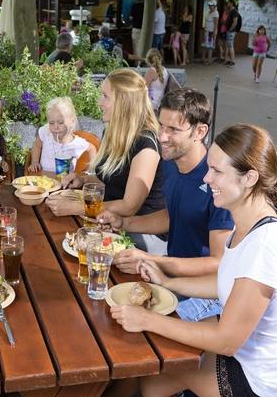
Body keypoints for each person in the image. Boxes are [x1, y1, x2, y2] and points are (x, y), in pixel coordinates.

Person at [110, 124, 277, 397]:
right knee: (159, 365)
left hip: (263, 381)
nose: (207, 178)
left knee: (155, 378)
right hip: (245, 355)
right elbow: (227, 281)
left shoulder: (263, 245)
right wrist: (168, 282)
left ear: (249, 178)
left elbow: (226, 340)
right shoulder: (246, 221)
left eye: (217, 171)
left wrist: (147, 319)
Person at [98, 89, 234, 322]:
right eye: (161, 126)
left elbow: (218, 263)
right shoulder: (171, 161)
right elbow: (173, 216)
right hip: (170, 275)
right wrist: (124, 222)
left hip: (207, 292)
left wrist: (152, 261)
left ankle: (215, 361)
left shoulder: (217, 179)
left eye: (173, 130)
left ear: (200, 131)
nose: (162, 136)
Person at [46, 68, 166, 254]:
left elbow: (129, 206)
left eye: (105, 96)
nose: (99, 102)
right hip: (109, 220)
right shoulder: (112, 131)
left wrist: (78, 207)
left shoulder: (146, 145)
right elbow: (109, 179)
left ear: (123, 103)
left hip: (140, 233)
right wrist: (83, 179)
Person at [28, 97, 96, 174]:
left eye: (60, 122)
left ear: (72, 121)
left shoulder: (76, 143)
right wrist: (35, 161)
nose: (55, 127)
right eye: (51, 123)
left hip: (64, 183)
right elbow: (37, 145)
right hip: (44, 180)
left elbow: (92, 148)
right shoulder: (46, 132)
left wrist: (91, 170)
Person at [222, 0, 241, 67]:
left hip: (231, 31)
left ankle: (232, 61)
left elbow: (235, 22)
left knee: (230, 46)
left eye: (229, 3)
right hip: (229, 31)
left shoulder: (234, 11)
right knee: (229, 45)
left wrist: (230, 29)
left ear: (231, 4)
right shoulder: (231, 11)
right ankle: (230, 60)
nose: (227, 4)